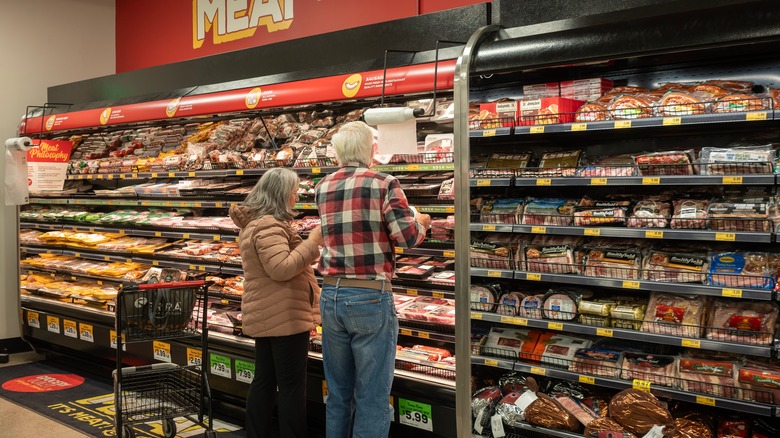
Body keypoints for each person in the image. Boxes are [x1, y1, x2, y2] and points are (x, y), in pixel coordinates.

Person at [315, 121, 432, 437]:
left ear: (338, 151)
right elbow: (406, 237)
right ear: (370, 149)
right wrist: (422, 220)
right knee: (372, 396)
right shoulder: (384, 182)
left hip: (331, 295)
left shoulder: (322, 186)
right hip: (368, 296)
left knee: (338, 394)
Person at [229, 167, 323, 438]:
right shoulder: (269, 225)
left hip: (269, 313)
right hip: (285, 316)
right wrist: (312, 242)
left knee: (265, 382)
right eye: (293, 192)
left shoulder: (256, 223)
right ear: (280, 195)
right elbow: (281, 268)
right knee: (292, 386)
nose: (296, 197)